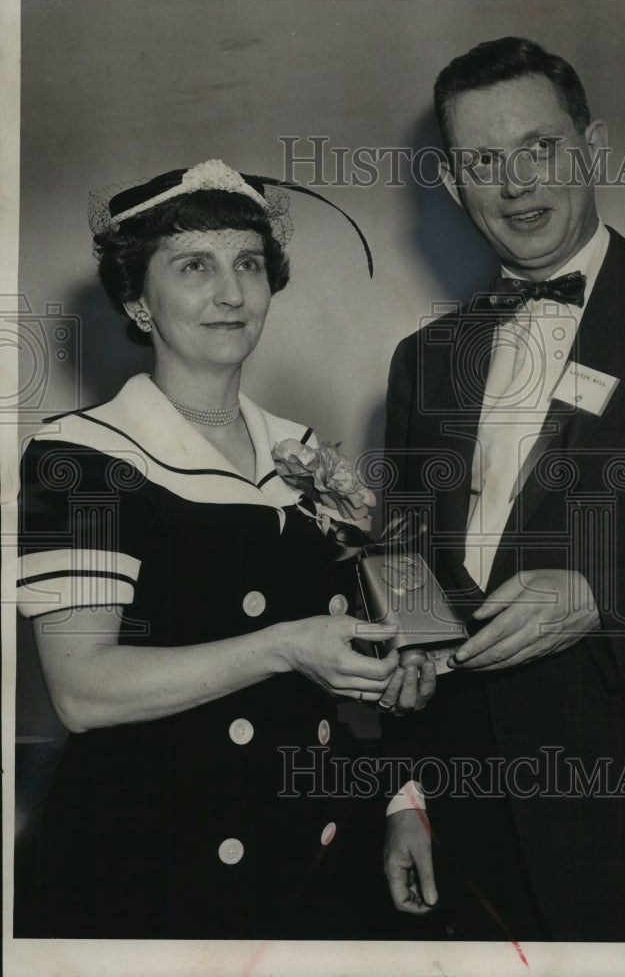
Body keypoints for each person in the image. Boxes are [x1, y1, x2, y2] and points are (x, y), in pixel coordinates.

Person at [382, 38, 625, 942]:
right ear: (455, 184)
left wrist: (598, 600)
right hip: (471, 827)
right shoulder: (421, 359)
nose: (515, 184)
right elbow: (401, 580)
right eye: (482, 161)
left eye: (538, 147)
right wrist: (404, 793)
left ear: (592, 145)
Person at [15, 159, 405, 939]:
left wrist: (401, 781)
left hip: (302, 861)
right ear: (137, 300)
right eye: (194, 266)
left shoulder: (301, 454)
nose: (231, 293)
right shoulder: (80, 458)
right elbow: (83, 691)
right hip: (148, 869)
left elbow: (346, 676)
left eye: (248, 264)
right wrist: (285, 646)